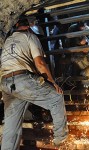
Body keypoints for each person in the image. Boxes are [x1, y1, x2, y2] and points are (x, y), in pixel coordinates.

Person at [0, 18, 68, 150]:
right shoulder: (30, 36)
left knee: (11, 129)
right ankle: (61, 139)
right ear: (29, 28)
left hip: (6, 84)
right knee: (56, 97)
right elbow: (40, 64)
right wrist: (52, 83)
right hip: (22, 80)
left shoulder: (7, 41)